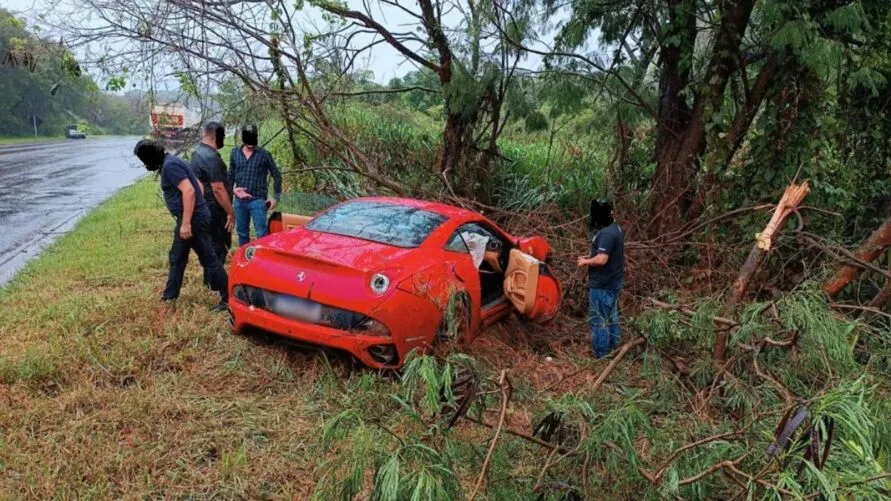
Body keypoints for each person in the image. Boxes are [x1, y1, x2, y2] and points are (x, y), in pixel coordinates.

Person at [133, 139, 229, 311]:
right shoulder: (173, 161)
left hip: (193, 221)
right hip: (192, 218)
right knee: (177, 256)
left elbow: (190, 190)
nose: (145, 165)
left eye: (144, 161)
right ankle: (169, 297)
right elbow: (197, 185)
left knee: (209, 260)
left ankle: (228, 297)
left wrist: (186, 223)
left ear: (149, 158)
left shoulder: (170, 166)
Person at [577, 199, 624, 358]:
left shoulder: (606, 233)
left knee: (599, 319)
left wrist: (585, 262)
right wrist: (590, 256)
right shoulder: (616, 229)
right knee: (612, 316)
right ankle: (614, 347)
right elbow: (607, 255)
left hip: (603, 284)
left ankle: (601, 354)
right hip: (613, 281)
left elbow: (602, 259)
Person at [229, 124, 282, 247]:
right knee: (242, 233)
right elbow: (230, 176)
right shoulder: (235, 153)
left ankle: (262, 260)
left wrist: (276, 197)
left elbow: (277, 175)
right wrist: (231, 194)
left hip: (258, 201)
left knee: (261, 233)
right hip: (239, 202)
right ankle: (244, 260)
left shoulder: (264, 154)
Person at [191, 121, 234, 265]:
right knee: (220, 247)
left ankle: (210, 280)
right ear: (215, 136)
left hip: (203, 207)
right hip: (215, 210)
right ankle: (215, 283)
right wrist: (230, 212)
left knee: (210, 246)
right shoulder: (211, 157)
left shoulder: (196, 153)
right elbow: (218, 189)